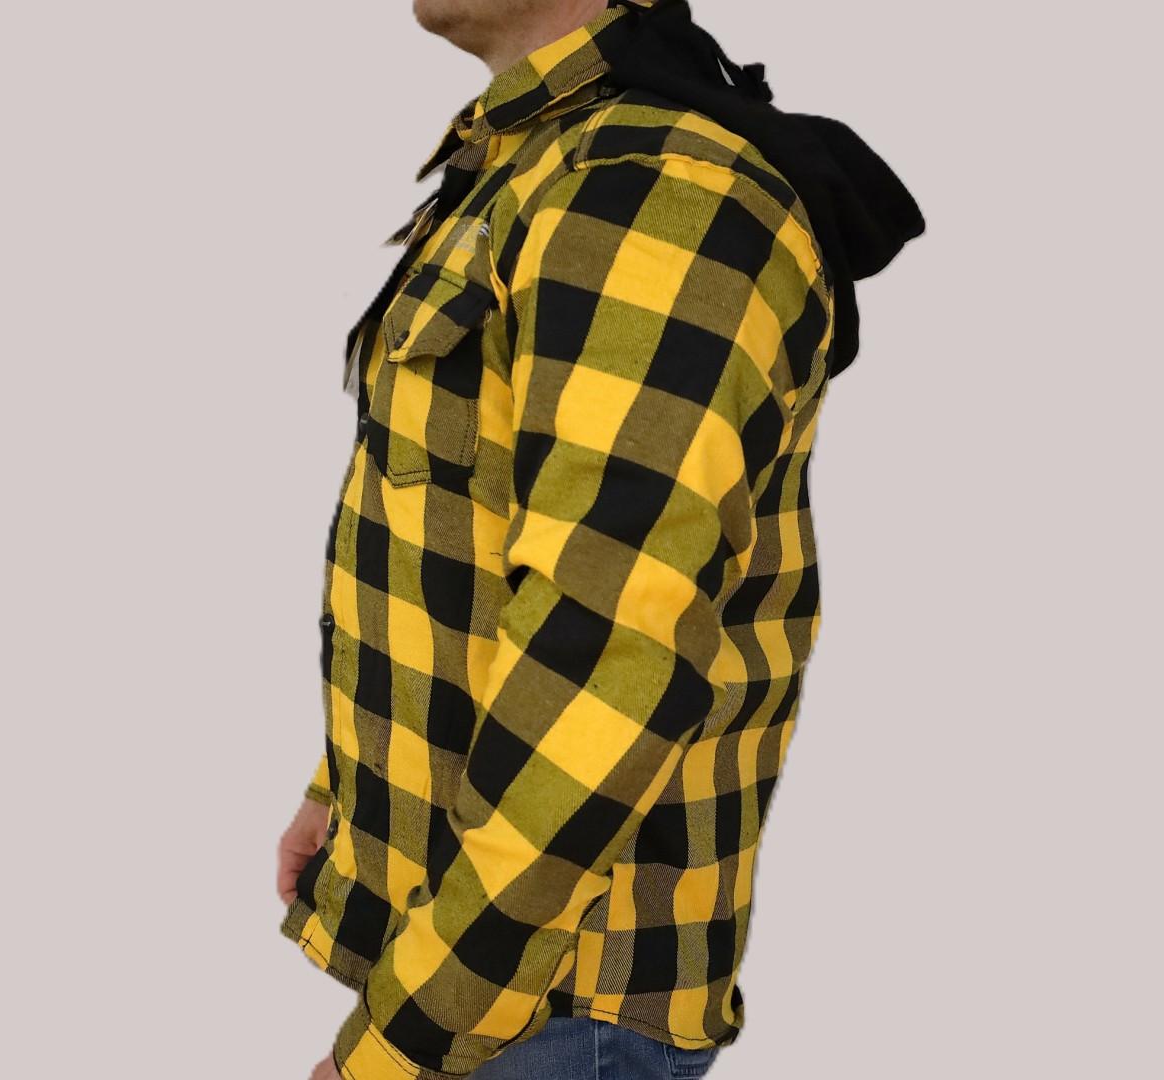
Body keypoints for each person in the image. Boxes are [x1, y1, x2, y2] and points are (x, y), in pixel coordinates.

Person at [277, 2, 922, 1077]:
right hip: (498, 968)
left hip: (544, 1001)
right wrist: (342, 793)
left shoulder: (652, 187)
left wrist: (400, 1046)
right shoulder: (542, 159)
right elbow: (474, 539)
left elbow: (605, 659)